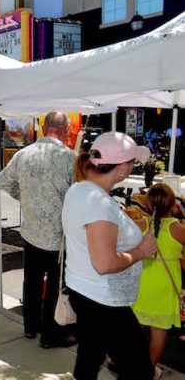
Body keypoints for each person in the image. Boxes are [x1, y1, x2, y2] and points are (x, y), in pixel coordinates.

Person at [62, 131, 158, 380]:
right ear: (122, 171)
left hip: (86, 294)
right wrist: (141, 251)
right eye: (132, 163)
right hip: (104, 302)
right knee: (139, 371)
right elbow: (104, 263)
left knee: (90, 357)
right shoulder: (98, 202)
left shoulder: (79, 189)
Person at [0, 111, 77, 348]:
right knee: (55, 286)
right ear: (65, 130)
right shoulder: (70, 157)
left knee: (31, 283)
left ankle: (30, 328)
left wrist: (25, 197)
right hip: (58, 238)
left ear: (43, 129)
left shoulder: (24, 154)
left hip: (31, 232)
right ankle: (50, 335)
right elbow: (78, 194)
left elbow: (3, 181)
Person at [132, 183, 185, 370]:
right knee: (159, 330)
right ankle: (148, 369)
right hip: (164, 287)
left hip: (140, 283)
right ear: (173, 205)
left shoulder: (139, 225)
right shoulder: (179, 230)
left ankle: (131, 364)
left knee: (137, 326)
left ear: (147, 205)